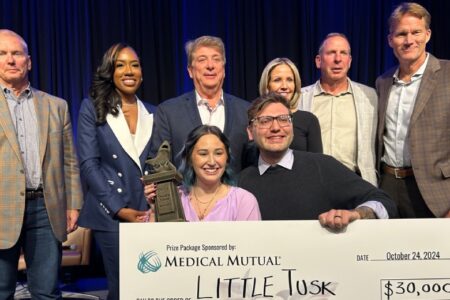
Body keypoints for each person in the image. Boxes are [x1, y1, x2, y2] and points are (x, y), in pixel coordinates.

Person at [0, 29, 83, 299]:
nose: (10, 59)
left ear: (29, 61)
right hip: (2, 208)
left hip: (46, 209)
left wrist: (73, 203)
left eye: (17, 53)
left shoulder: (56, 106)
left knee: (46, 292)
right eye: (2, 54)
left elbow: (69, 159)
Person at [239, 93, 397, 230]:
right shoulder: (242, 182)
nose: (276, 127)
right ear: (250, 132)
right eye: (265, 121)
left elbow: (384, 202)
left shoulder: (322, 167)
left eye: (283, 119)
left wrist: (357, 214)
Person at [77, 43, 155, 300]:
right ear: (110, 72)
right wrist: (119, 208)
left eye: (134, 64)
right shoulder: (92, 108)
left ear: (142, 73)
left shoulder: (154, 112)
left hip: (148, 212)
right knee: (123, 289)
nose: (128, 70)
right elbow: (89, 164)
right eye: (120, 65)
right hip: (111, 213)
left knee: (151, 288)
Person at [376, 2, 450, 218]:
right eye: (401, 34)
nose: (409, 40)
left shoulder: (447, 74)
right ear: (390, 40)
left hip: (437, 193)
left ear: (427, 35)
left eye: (416, 32)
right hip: (388, 185)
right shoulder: (383, 82)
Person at [150, 35, 249, 173]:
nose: (210, 66)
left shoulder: (246, 111)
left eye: (216, 59)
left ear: (224, 69)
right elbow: (159, 166)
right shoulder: (168, 112)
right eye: (202, 60)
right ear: (190, 71)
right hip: (186, 193)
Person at [300, 33, 378, 186]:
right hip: (314, 183)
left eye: (343, 53)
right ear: (318, 61)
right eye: (331, 53)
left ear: (349, 61)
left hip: (356, 184)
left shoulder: (369, 96)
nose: (338, 59)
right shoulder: (300, 98)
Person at [145, 125, 261, 221]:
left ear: (227, 158)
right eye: (203, 154)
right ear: (190, 159)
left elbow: (250, 246)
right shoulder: (174, 197)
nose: (211, 161)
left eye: (218, 153)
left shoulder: (243, 201)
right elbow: (153, 244)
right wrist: (156, 211)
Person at [259, 57, 322, 152]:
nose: (284, 86)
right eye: (277, 80)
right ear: (267, 85)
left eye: (289, 80)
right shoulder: (256, 119)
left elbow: (318, 163)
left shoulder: (309, 120)